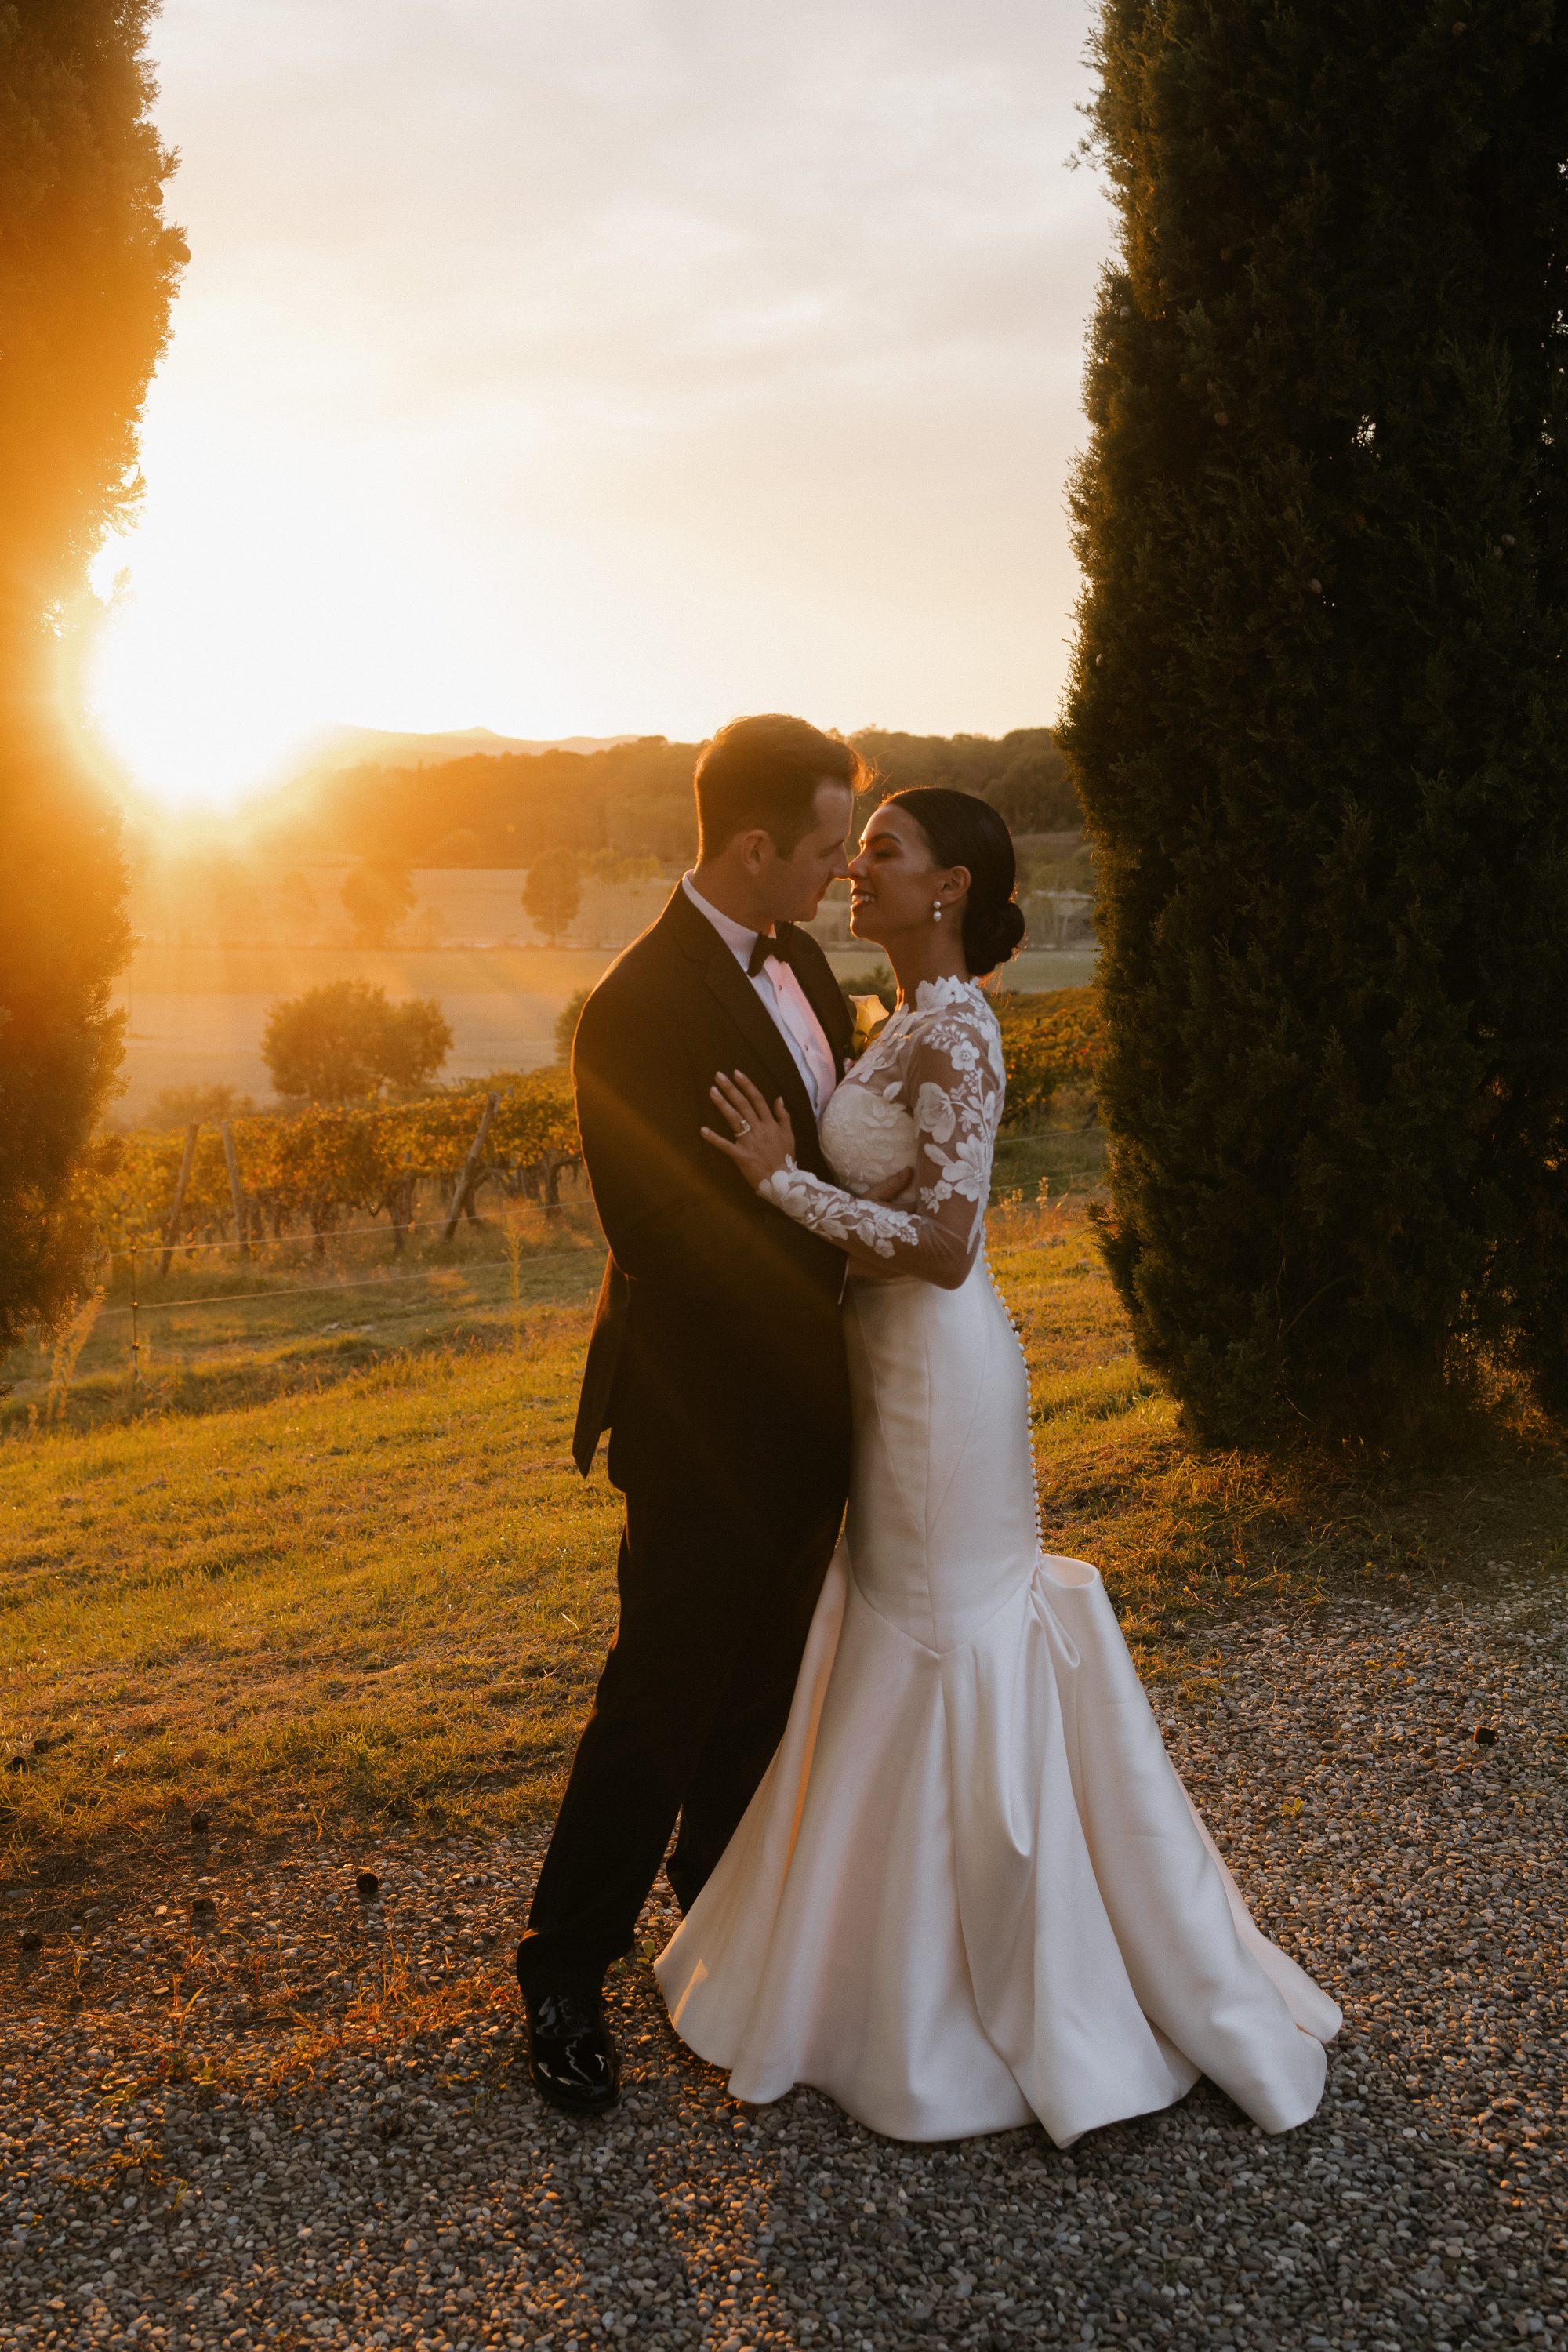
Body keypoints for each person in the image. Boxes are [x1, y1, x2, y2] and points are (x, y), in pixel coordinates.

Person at [655, 786, 1341, 2144]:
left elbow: (951, 1241)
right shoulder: (895, 1017)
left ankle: (987, 1982)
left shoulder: (959, 1024)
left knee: (948, 1628)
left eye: (888, 852)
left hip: (939, 1375)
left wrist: (781, 1183)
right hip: (887, 1363)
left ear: (952, 885)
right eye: (855, 849)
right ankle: (869, 1960)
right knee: (896, 1618)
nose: (859, 867)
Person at [516, 713, 872, 2114]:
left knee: (763, 1689)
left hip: (817, 1411)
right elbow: (665, 1233)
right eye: (829, 848)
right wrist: (833, 1310)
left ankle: (723, 1933)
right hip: (707, 1412)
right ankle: (562, 1967)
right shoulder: (640, 1006)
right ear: (754, 845)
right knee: (661, 1690)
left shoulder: (805, 965)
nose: (844, 873)